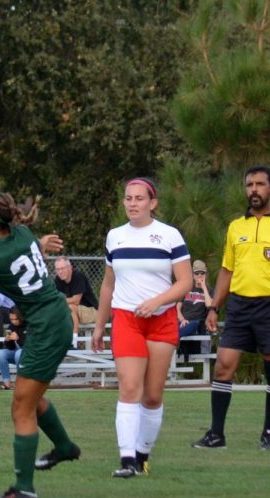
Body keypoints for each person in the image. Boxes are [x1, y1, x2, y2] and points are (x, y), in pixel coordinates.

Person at [0, 192, 80, 498]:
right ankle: (64, 448)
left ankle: (24, 488)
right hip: (51, 320)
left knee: (21, 405)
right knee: (30, 398)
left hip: (47, 326)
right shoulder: (22, 232)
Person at [193, 165, 270, 451]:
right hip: (240, 307)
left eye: (259, 184)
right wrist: (214, 307)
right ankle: (216, 435)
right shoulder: (236, 227)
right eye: (249, 185)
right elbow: (226, 271)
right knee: (223, 366)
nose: (254, 190)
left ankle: (269, 435)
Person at [92, 178, 192, 478]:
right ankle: (126, 460)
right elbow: (108, 285)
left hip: (161, 321)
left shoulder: (169, 236)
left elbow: (185, 282)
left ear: (153, 202)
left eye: (139, 198)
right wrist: (99, 326)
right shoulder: (115, 237)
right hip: (126, 319)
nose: (132, 203)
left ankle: (142, 456)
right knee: (129, 387)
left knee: (151, 395)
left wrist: (158, 301)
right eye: (128, 198)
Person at [54, 256, 99, 347]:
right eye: (58, 269)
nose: (60, 272)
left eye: (62, 268)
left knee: (69, 307)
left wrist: (60, 301)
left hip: (91, 311)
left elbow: (76, 300)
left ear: (70, 267)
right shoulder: (58, 280)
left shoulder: (78, 276)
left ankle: (73, 342)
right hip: (74, 313)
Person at [177, 260, 214, 338]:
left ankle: (173, 336)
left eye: (202, 273)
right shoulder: (187, 288)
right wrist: (182, 320)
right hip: (183, 322)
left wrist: (203, 287)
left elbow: (210, 305)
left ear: (206, 274)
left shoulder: (209, 291)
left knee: (194, 324)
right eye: (197, 273)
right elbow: (177, 308)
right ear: (193, 275)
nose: (199, 275)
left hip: (198, 324)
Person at [0, 307, 26, 390]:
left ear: (21, 317)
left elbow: (32, 344)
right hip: (18, 354)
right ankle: (7, 384)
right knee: (1, 354)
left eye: (15, 319)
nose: (13, 321)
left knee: (18, 353)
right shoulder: (12, 326)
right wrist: (8, 340)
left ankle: (20, 382)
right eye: (11, 319)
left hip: (31, 355)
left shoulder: (30, 324)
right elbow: (10, 347)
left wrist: (18, 338)